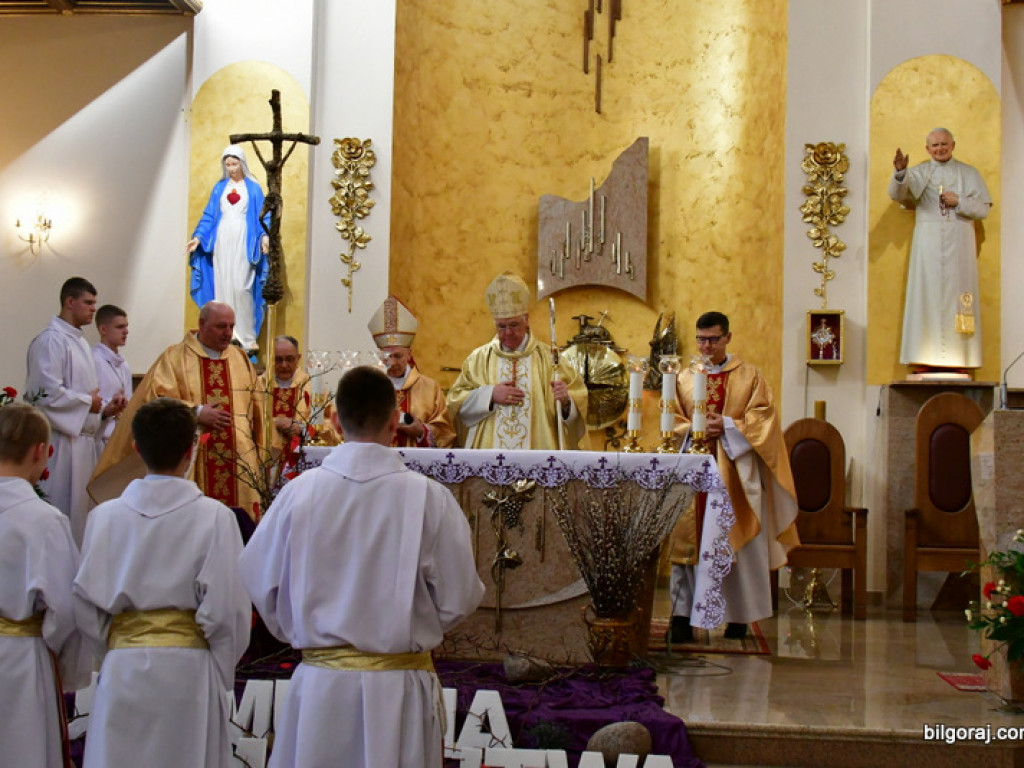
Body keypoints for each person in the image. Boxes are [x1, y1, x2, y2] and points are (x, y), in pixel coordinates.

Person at [239, 366, 484, 768]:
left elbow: (258, 580)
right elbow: (459, 597)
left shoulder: (298, 494)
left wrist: (301, 629)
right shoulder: (428, 497)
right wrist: (409, 628)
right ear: (395, 421)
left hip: (320, 687)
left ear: (335, 420)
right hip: (398, 690)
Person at [74, 398, 250, 768]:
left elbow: (86, 604)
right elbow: (228, 611)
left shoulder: (105, 517)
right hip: (190, 672)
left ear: (136, 448)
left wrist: (116, 650)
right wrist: (218, 671)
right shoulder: (215, 517)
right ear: (191, 450)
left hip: (123, 668)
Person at [669, 312, 800, 641]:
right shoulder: (683, 378)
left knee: (736, 541)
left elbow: (764, 419)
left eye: (713, 339)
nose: (706, 347)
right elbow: (670, 419)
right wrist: (695, 428)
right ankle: (682, 617)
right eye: (701, 339)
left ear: (728, 337)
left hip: (735, 473)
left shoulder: (749, 376)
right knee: (688, 542)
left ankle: (739, 616)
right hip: (694, 471)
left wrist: (727, 426)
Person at [90, 301, 264, 518]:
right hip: (192, 459)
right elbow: (156, 400)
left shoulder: (240, 359)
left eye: (231, 326)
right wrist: (196, 412)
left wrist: (261, 457)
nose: (228, 333)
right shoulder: (174, 358)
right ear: (202, 324)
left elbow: (258, 409)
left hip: (239, 464)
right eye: (221, 326)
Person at [0, 403, 90, 768]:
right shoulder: (44, 520)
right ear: (40, 451)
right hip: (22, 660)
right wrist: (66, 670)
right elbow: (66, 610)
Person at [27, 277, 121, 545]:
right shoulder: (50, 341)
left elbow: (86, 398)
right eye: (88, 302)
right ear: (70, 302)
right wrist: (88, 402)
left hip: (83, 444)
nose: (93, 308)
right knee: (61, 519)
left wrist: (103, 411)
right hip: (61, 446)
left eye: (94, 303)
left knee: (81, 522)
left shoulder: (80, 343)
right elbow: (44, 394)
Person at [446, 272, 587, 450]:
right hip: (490, 456)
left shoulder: (551, 359)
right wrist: (490, 395)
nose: (508, 333)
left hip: (538, 452)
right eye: (501, 326)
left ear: (526, 320)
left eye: (514, 325)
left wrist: (566, 402)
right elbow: (454, 402)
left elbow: (578, 404)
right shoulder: (478, 359)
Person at [889, 128, 992, 370]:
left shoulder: (969, 173)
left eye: (944, 144)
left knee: (959, 297)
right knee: (926, 295)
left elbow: (983, 209)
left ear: (953, 145)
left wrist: (960, 201)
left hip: (960, 242)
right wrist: (901, 172)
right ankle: (924, 358)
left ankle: (961, 358)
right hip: (927, 244)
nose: (940, 149)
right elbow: (897, 194)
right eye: (935, 145)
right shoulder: (919, 172)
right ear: (927, 149)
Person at [187, 144, 270, 355]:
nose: (231, 168)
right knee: (223, 286)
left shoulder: (253, 188)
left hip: (244, 239)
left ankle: (247, 337)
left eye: (234, 164)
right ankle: (225, 336)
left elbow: (262, 216)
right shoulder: (220, 188)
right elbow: (209, 216)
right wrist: (198, 238)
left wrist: (264, 236)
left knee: (242, 287)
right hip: (222, 240)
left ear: (242, 164)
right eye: (228, 165)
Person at [369, 294, 456, 448]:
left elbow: (446, 434)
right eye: (387, 357)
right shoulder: (370, 387)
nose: (392, 363)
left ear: (409, 354)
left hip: (415, 461)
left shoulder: (430, 388)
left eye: (398, 356)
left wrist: (422, 431)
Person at [255, 335, 312, 459]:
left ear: (298, 358)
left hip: (300, 458)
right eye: (278, 360)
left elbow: (327, 424)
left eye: (289, 359)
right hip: (266, 458)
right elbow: (247, 420)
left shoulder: (311, 387)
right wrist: (274, 423)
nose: (284, 365)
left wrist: (302, 428)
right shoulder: (257, 386)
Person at [91, 304, 132, 450]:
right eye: (120, 327)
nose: (126, 331)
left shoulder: (123, 365)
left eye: (126, 326)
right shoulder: (93, 359)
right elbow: (91, 400)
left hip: (118, 437)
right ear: (103, 329)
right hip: (100, 438)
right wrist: (108, 408)